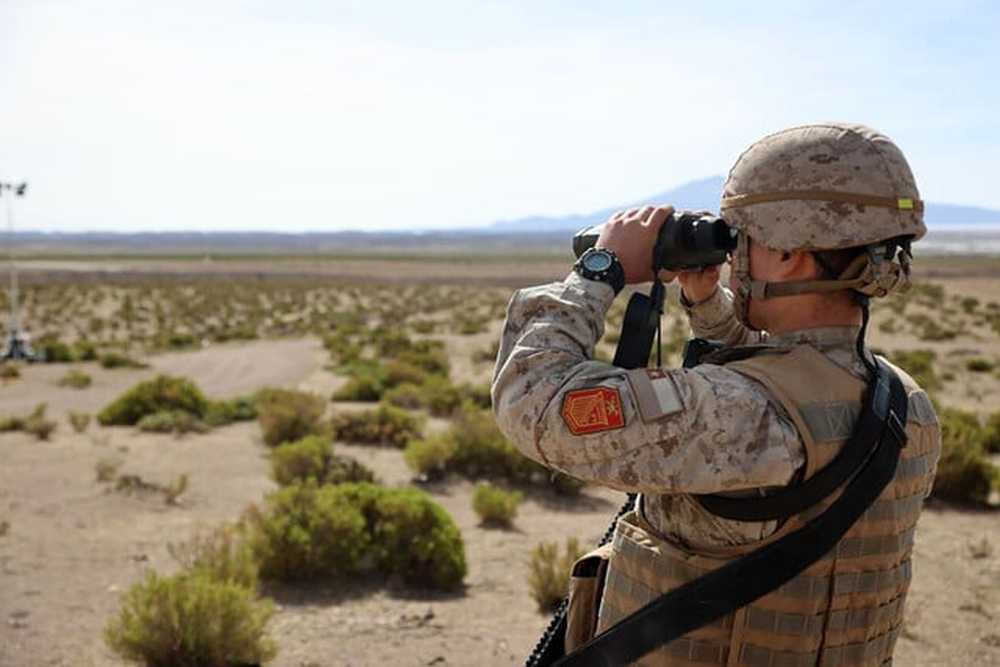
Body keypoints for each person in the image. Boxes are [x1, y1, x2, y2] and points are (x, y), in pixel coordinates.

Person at [491, 123, 941, 666]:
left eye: (743, 237)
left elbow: (531, 400)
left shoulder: (740, 413)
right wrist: (707, 300)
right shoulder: (905, 402)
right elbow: (783, 373)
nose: (735, 255)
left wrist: (599, 269)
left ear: (790, 253)